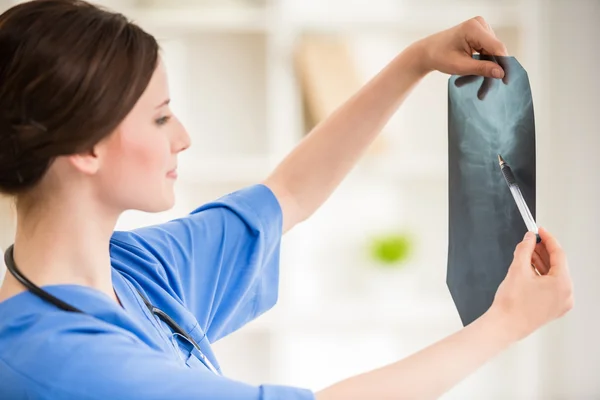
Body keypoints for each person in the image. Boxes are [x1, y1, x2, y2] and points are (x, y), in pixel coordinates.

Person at [0, 1, 573, 399]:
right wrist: (505, 325)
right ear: (84, 148)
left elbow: (289, 194)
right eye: (159, 116)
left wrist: (417, 61)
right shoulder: (59, 361)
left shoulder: (134, 272)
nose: (183, 136)